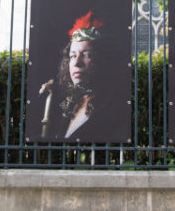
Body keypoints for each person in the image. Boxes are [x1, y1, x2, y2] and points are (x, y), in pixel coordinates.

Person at [40, 10, 121, 141]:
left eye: (87, 55)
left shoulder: (112, 109)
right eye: (73, 56)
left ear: (102, 60)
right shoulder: (70, 105)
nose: (77, 63)